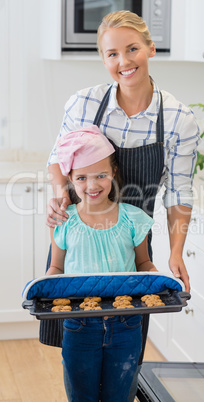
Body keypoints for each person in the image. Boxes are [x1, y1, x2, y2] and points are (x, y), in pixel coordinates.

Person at [41, 9, 199, 400]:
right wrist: (62, 193)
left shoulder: (178, 118)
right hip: (81, 235)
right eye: (112, 54)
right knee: (79, 351)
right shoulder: (84, 103)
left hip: (131, 245)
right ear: (103, 59)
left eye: (132, 49)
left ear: (151, 48)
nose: (123, 62)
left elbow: (179, 192)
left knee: (124, 350)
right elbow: (59, 162)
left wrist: (176, 251)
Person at [47, 126, 157, 401]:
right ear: (70, 178)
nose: (92, 185)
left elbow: (144, 262)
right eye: (82, 177)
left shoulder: (133, 218)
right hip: (78, 325)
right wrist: (45, 290)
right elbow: (56, 268)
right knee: (81, 395)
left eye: (101, 176)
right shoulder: (64, 221)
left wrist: (162, 283)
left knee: (119, 395)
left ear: (114, 173)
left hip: (127, 324)